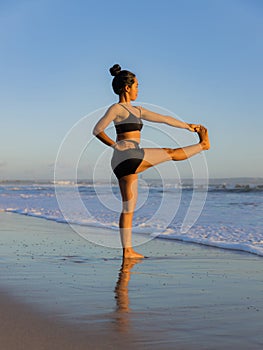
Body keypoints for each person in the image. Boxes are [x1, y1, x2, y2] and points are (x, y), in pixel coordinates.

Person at [93, 64, 210, 259]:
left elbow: (164, 119)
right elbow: (97, 130)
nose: (139, 89)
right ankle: (203, 146)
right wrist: (115, 145)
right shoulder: (116, 108)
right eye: (137, 85)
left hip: (121, 162)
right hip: (128, 155)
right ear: (127, 87)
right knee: (170, 153)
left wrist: (186, 126)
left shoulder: (138, 110)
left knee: (128, 207)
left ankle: (127, 252)